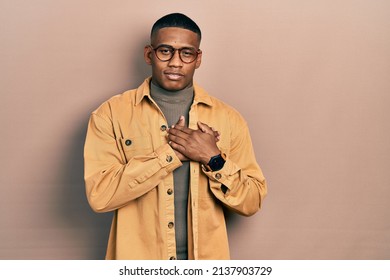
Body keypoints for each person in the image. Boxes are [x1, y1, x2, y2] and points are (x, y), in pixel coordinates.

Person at [84, 13, 267, 260]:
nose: (175, 62)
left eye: (186, 53)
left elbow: (251, 201)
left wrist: (214, 159)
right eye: (165, 51)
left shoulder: (229, 119)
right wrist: (171, 155)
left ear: (198, 58)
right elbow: (100, 196)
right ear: (149, 54)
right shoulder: (110, 114)